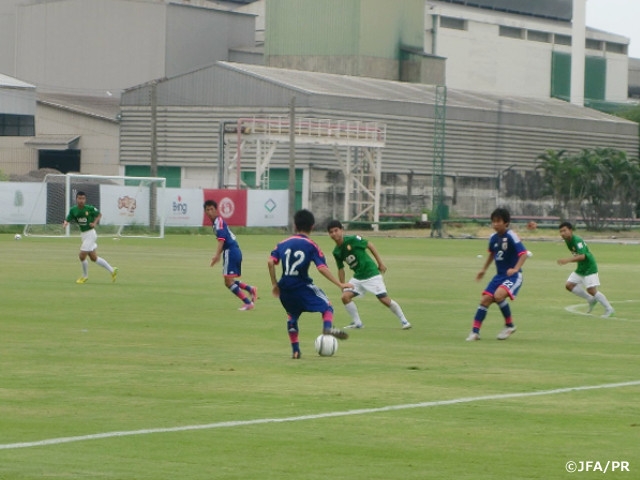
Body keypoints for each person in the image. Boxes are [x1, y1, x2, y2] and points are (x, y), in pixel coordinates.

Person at [268, 209, 351, 359]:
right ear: (312, 226)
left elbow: (270, 262)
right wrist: (339, 283)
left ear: (295, 225)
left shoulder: (282, 244)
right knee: (327, 307)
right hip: (301, 285)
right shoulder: (311, 245)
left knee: (292, 316)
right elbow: (321, 268)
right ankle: (327, 328)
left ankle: (295, 350)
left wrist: (275, 284)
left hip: (285, 287)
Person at [326, 220, 411, 330]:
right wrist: (342, 285)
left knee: (383, 299)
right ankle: (358, 323)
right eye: (331, 232)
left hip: (371, 274)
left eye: (336, 230)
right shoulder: (336, 251)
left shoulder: (353, 239)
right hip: (358, 277)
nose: (334, 234)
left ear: (342, 230)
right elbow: (340, 269)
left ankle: (404, 321)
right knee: (345, 297)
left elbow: (370, 245)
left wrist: (380, 263)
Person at [466, 207, 528, 341]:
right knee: (485, 300)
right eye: (493, 221)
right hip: (499, 276)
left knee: (498, 295)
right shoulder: (493, 238)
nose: (495, 224)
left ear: (506, 223)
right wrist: (484, 269)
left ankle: (509, 326)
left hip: (513, 276)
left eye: (498, 221)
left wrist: (516, 269)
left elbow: (523, 254)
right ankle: (475, 332)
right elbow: (492, 254)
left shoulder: (511, 235)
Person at [204, 199, 258, 311]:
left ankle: (248, 303)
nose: (210, 212)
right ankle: (250, 289)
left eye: (212, 209)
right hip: (233, 251)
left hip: (231, 251)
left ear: (216, 210)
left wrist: (216, 255)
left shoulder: (218, 222)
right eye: (207, 210)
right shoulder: (217, 223)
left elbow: (222, 240)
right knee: (228, 281)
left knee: (228, 282)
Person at [557, 221, 614, 318]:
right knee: (569, 285)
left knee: (591, 290)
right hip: (581, 267)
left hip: (589, 267)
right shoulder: (568, 240)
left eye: (564, 230)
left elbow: (582, 256)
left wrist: (567, 260)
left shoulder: (577, 240)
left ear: (570, 230)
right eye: (561, 231)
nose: (563, 233)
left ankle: (609, 309)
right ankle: (590, 299)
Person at [63, 191, 118, 284]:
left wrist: (95, 223)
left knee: (81, 255)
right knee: (93, 258)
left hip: (90, 234)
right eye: (79, 198)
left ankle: (84, 276)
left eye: (83, 198)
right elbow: (68, 218)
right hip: (83, 235)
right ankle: (112, 270)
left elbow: (99, 214)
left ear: (85, 199)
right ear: (76, 199)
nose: (81, 200)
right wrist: (65, 223)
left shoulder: (89, 208)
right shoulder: (73, 210)